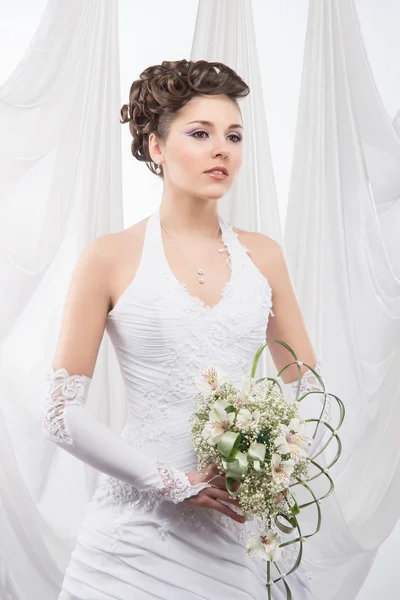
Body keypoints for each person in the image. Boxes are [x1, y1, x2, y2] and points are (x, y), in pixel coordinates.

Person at [42, 59, 324, 599]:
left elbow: (307, 385)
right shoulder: (109, 256)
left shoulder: (264, 255)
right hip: (137, 544)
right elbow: (60, 413)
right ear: (156, 147)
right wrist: (169, 482)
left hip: (240, 529)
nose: (223, 149)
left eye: (234, 136)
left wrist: (272, 460)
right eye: (201, 133)